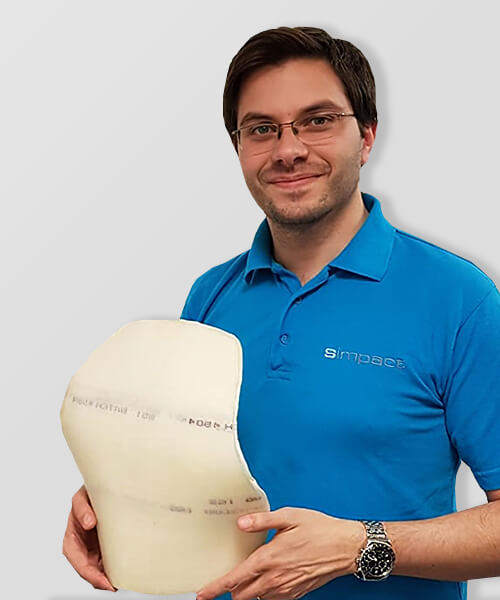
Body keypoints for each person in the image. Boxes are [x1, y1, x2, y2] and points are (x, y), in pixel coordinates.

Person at [62, 26, 500, 600]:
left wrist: (360, 547)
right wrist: (111, 507)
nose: (288, 149)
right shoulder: (209, 297)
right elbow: (182, 466)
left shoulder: (459, 300)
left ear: (366, 136)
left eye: (317, 120)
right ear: (240, 147)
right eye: (262, 129)